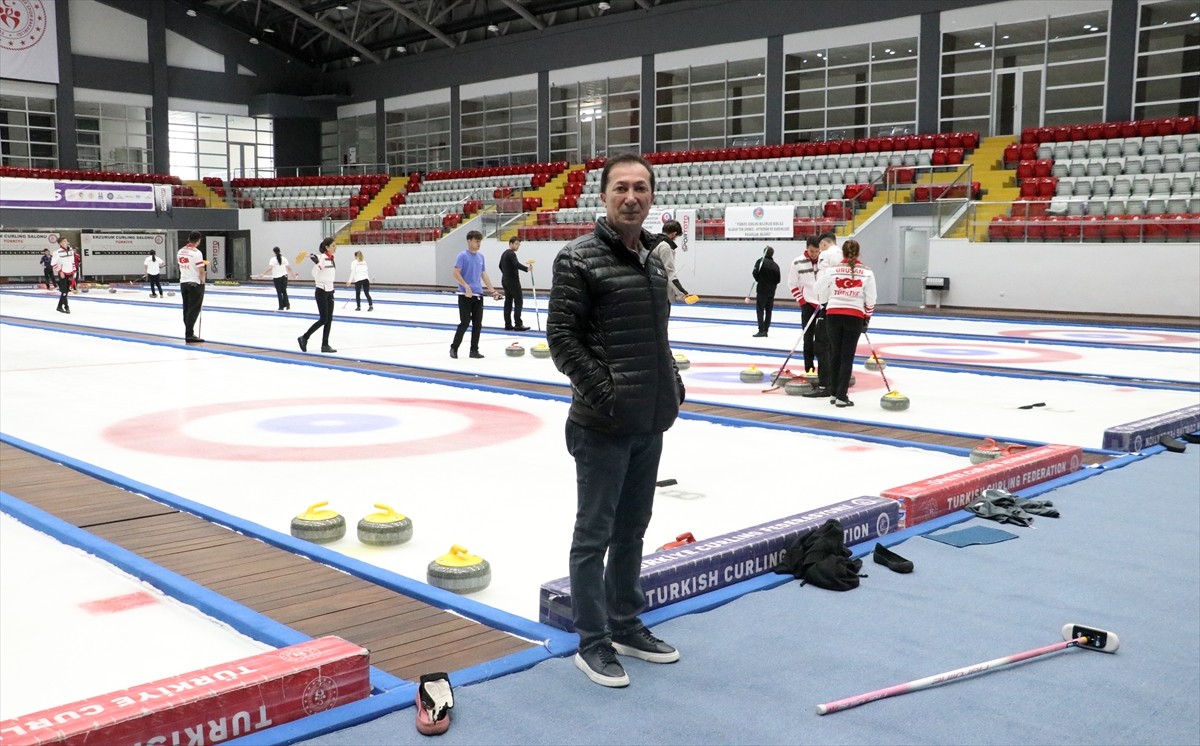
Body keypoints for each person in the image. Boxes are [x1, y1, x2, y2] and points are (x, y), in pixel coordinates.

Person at [547, 153, 685, 689]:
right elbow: (562, 341)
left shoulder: (654, 258)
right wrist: (609, 395)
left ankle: (626, 624)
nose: (632, 196)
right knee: (595, 534)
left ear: (652, 196)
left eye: (642, 188)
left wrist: (670, 384)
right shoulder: (576, 258)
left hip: (649, 422)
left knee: (633, 530)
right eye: (622, 188)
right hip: (602, 425)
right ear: (603, 197)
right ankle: (592, 640)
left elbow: (658, 335)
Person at [815, 239, 876, 408]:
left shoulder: (832, 270)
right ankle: (842, 396)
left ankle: (834, 393)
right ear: (858, 253)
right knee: (846, 356)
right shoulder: (866, 272)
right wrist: (867, 317)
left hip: (833, 315)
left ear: (842, 253)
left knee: (835, 354)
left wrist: (828, 302)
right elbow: (871, 298)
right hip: (854, 316)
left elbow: (817, 289)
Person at [449, 230, 501, 359]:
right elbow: (456, 273)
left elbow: (483, 274)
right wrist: (466, 286)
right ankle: (454, 347)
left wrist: (492, 290)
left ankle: (474, 350)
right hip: (465, 295)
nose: (479, 244)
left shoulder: (481, 257)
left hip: (478, 294)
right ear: (469, 241)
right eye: (477, 241)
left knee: (478, 324)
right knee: (465, 322)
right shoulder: (462, 256)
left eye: (480, 241)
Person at [787, 236, 826, 377]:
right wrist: (802, 301)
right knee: (808, 338)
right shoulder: (797, 262)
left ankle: (824, 369)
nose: (814, 254)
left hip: (823, 305)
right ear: (807, 248)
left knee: (823, 339)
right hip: (808, 304)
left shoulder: (824, 261)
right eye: (812, 251)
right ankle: (809, 368)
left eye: (817, 251)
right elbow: (792, 284)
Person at [298, 237, 338, 353]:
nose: (335, 248)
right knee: (323, 319)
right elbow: (314, 274)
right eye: (333, 246)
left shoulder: (330, 259)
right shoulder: (322, 258)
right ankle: (304, 337)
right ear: (327, 247)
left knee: (329, 319)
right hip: (321, 291)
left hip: (330, 291)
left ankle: (325, 345)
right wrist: (317, 264)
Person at [649, 220, 691, 305]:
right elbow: (669, 273)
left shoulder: (652, 242)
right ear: (673, 234)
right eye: (676, 237)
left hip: (649, 289)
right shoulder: (665, 247)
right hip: (661, 292)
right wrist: (683, 294)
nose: (675, 239)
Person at [177, 231, 206, 343]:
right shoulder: (196, 253)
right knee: (194, 309)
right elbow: (201, 270)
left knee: (187, 308)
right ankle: (189, 334)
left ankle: (188, 331)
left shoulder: (181, 251)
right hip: (194, 282)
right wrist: (202, 281)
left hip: (183, 281)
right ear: (198, 240)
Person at [498, 236, 530, 331]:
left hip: (505, 280)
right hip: (513, 281)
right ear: (511, 243)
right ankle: (518, 324)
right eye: (516, 244)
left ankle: (508, 324)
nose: (517, 246)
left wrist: (505, 273)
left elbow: (500, 265)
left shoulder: (504, 253)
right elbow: (516, 264)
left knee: (508, 301)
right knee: (518, 301)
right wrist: (526, 269)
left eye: (519, 244)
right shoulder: (511, 254)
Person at [751, 246, 781, 337]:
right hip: (771, 291)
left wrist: (759, 280)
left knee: (760, 310)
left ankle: (761, 330)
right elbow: (778, 280)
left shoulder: (760, 262)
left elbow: (755, 273)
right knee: (769, 311)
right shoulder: (775, 266)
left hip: (761, 290)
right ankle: (766, 330)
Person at [262, 246, 297, 311]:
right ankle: (287, 305)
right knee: (284, 291)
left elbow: (270, 268)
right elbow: (289, 268)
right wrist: (293, 274)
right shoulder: (284, 259)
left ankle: (281, 307)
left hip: (277, 278)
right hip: (284, 277)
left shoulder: (272, 259)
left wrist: (263, 274)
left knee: (279, 292)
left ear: (274, 252)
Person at [50, 237, 76, 314]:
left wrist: (74, 270)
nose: (66, 242)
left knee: (66, 291)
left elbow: (72, 262)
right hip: (63, 274)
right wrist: (60, 271)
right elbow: (53, 264)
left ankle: (59, 306)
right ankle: (66, 306)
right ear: (61, 243)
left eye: (66, 240)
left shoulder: (71, 250)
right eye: (64, 241)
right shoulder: (57, 252)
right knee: (64, 291)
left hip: (70, 272)